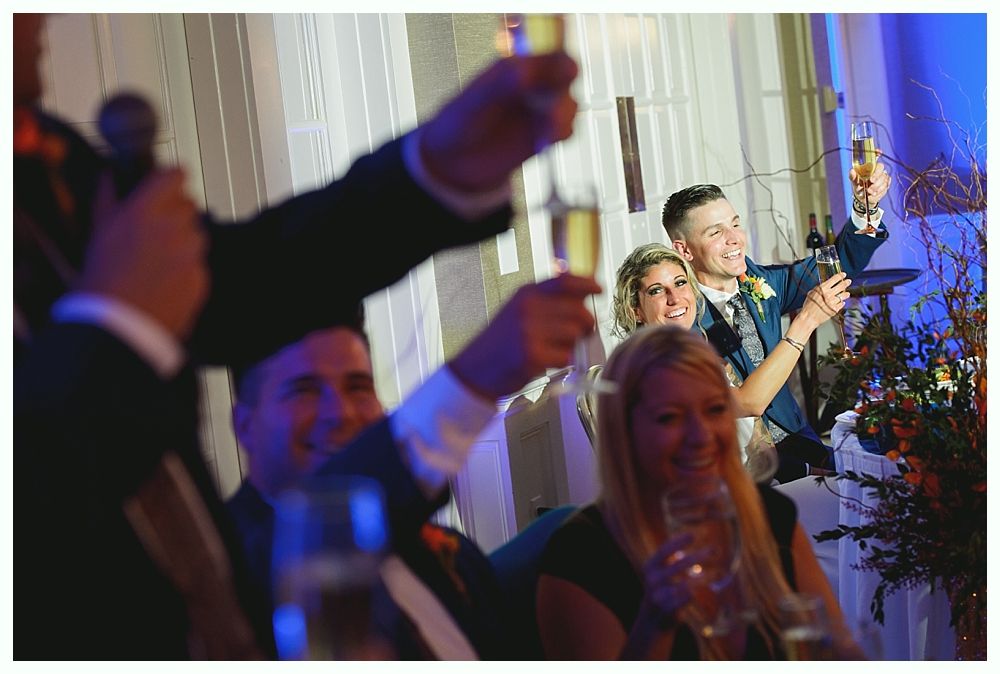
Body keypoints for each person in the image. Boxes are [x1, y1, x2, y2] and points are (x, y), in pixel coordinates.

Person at [13, 12, 584, 658]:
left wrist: (434, 171)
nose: (40, 12)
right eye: (304, 389)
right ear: (244, 422)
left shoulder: (40, 158)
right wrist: (116, 332)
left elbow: (238, 284)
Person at [227, 276, 598, 659]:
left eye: (357, 386)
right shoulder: (229, 570)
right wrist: (476, 375)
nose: (340, 413)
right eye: (304, 390)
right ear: (244, 425)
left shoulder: (452, 557)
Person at [535, 326, 863, 660]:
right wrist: (655, 624)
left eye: (715, 409)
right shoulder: (582, 554)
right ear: (625, 431)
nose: (701, 435)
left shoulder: (767, 514)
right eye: (669, 417)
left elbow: (840, 650)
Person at [662, 176, 889, 482]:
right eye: (716, 232)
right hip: (746, 466)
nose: (734, 239)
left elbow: (837, 263)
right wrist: (805, 321)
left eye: (735, 224)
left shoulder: (760, 282)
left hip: (799, 439)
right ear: (684, 250)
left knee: (880, 470)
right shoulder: (681, 317)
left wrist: (865, 208)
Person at [610, 243, 850, 482]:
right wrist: (806, 321)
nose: (674, 298)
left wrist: (807, 471)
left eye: (680, 283)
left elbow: (749, 446)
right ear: (635, 311)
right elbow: (750, 402)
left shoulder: (689, 353)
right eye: (656, 291)